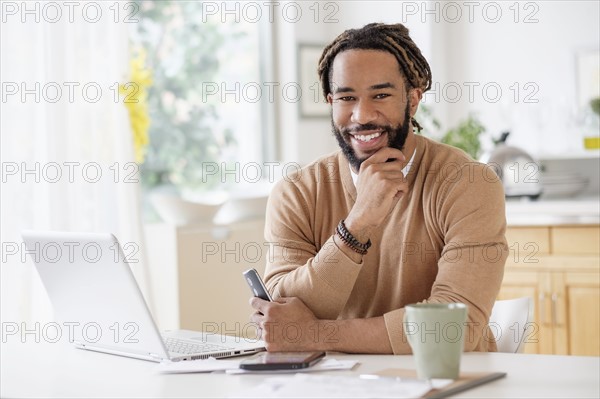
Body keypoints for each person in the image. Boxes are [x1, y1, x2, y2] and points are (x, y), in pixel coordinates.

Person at [249, 22, 507, 354]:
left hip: (447, 383)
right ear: (331, 102)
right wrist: (357, 224)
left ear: (413, 101)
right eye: (346, 97)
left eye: (381, 95)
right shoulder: (296, 193)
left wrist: (315, 335)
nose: (362, 115)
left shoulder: (469, 184)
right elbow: (282, 313)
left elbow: (455, 327)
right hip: (334, 384)